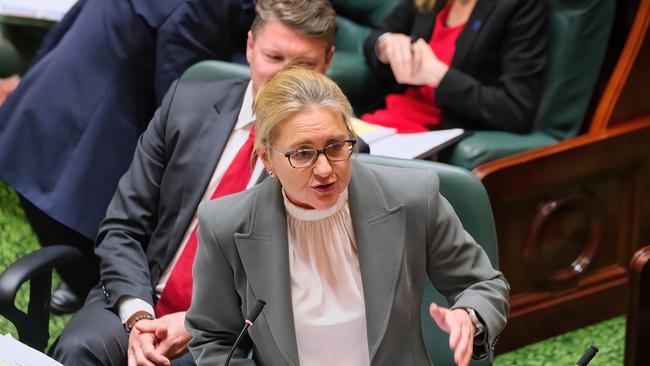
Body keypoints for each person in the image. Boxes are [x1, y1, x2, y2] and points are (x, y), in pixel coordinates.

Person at [50, 1, 337, 365]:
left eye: (305, 65)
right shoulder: (187, 104)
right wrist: (139, 317)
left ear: (327, 62)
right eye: (274, 57)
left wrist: (200, 322)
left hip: (236, 331)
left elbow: (307, 282)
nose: (285, 78)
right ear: (249, 46)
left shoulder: (334, 154)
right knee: (82, 348)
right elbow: (123, 225)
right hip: (143, 300)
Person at [186, 66, 509, 365]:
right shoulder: (225, 225)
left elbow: (483, 284)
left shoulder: (412, 198)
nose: (325, 169)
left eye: (336, 147)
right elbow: (215, 338)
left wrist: (470, 315)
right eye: (302, 153)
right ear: (267, 159)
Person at [0, 0, 254, 312]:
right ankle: (94, 287)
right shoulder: (203, 7)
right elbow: (184, 94)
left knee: (61, 211)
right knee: (94, 222)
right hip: (98, 113)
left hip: (63, 93)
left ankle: (86, 284)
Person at [361, 0, 548, 133]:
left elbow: (516, 110)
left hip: (437, 132)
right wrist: (385, 45)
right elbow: (375, 36)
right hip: (384, 121)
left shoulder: (521, 6)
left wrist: (440, 77)